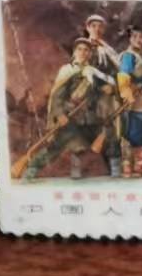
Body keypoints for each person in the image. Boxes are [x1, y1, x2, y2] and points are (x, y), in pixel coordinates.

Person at [22, 39, 115, 180]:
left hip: (88, 117)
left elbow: (100, 88)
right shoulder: (67, 70)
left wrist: (108, 88)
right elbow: (57, 96)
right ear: (74, 52)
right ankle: (31, 169)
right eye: (80, 49)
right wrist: (60, 114)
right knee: (57, 146)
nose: (83, 53)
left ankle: (114, 172)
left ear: (90, 54)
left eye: (86, 50)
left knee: (107, 137)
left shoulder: (92, 72)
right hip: (69, 116)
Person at [84, 14, 124, 178]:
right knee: (97, 128)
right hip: (93, 94)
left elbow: (117, 69)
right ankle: (100, 167)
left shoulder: (108, 49)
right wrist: (101, 86)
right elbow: (83, 72)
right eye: (94, 26)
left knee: (113, 128)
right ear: (88, 27)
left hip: (112, 93)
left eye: (100, 26)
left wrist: (117, 86)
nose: (97, 29)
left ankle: (115, 167)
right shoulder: (83, 47)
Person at [116, 25, 142, 178]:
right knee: (131, 131)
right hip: (134, 98)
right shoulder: (128, 56)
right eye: (135, 37)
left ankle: (140, 165)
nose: (139, 40)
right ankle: (127, 165)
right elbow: (123, 76)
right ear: (129, 38)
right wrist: (127, 95)